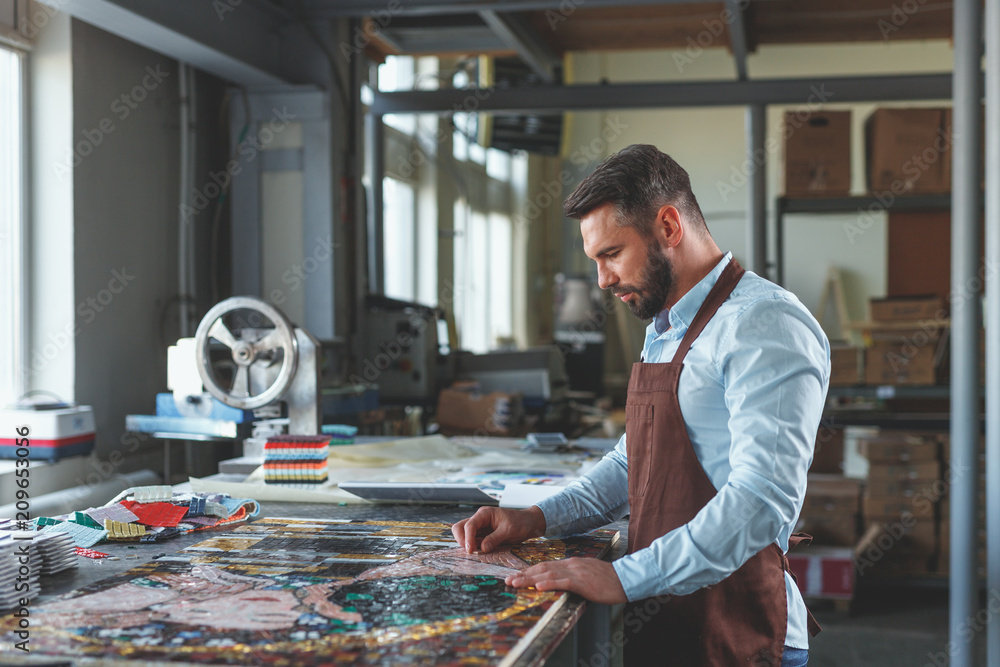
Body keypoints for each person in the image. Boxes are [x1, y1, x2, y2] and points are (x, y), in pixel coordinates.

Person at [452, 144, 830, 667]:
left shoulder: (764, 325)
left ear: (669, 226)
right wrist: (535, 519)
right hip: (671, 617)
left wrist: (622, 576)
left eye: (611, 254)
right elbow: (633, 464)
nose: (603, 280)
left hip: (738, 630)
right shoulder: (666, 327)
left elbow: (762, 502)